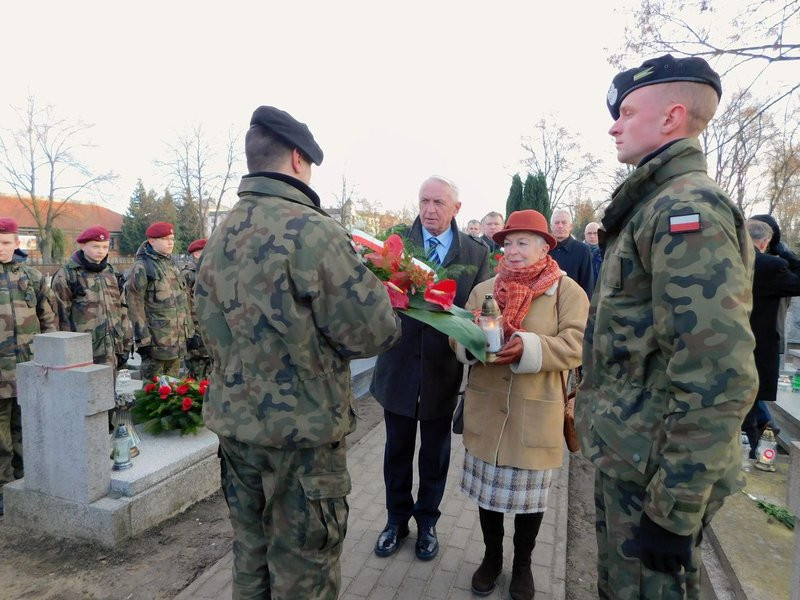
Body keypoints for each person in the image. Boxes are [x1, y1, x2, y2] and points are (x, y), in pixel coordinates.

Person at [195, 105, 401, 600]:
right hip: (302, 438)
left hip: (236, 428)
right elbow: (375, 333)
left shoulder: (221, 234)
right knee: (304, 571)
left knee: (251, 558)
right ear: (296, 158)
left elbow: (208, 326)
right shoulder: (314, 232)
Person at [576, 54, 758, 599]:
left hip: (654, 476)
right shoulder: (654, 204)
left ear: (672, 117)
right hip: (636, 460)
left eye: (628, 112)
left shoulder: (685, 209)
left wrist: (674, 508)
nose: (614, 126)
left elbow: (717, 374)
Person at [453, 210, 588, 599]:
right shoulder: (485, 289)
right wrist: (471, 345)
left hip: (536, 412)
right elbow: (458, 334)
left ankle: (524, 564)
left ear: (545, 248)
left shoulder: (567, 291)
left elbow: (576, 344)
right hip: (487, 409)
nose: (512, 250)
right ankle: (492, 558)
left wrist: (528, 347)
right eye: (508, 243)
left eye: (522, 242)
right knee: (489, 497)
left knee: (530, 502)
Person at [371, 176, 490, 561]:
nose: (430, 210)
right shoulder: (394, 245)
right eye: (424, 201)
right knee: (397, 452)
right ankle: (395, 521)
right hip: (398, 367)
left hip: (442, 372)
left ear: (456, 208)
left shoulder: (474, 253)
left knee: (435, 456)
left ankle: (427, 523)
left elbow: (479, 311)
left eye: (438, 202)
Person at [0, 218, 58, 517]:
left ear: (16, 243)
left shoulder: (32, 277)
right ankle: (4, 489)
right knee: (0, 436)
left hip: (28, 368)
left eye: (5, 242)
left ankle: (26, 480)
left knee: (27, 427)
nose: (1, 248)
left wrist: (50, 356)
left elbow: (48, 319)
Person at [742, 219, 800, 457]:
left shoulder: (726, 261)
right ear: (765, 242)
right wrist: (784, 252)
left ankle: (762, 435)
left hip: (725, 346)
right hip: (757, 349)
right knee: (749, 407)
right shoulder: (769, 266)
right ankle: (756, 453)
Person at [51, 226, 132, 371]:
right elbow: (60, 316)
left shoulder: (112, 273)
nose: (101, 251)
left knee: (109, 385)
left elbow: (122, 310)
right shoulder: (67, 275)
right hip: (82, 350)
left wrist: (126, 344)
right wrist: (66, 350)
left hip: (112, 348)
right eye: (95, 246)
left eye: (105, 247)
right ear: (82, 245)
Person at [125, 221, 194, 382]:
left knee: (174, 386)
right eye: (165, 239)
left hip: (176, 341)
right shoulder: (142, 267)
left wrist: (189, 332)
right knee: (153, 389)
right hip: (156, 342)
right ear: (152, 241)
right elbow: (134, 304)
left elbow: (183, 302)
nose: (170, 242)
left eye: (172, 238)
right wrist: (143, 339)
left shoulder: (172, 264)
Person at [181, 238, 210, 379]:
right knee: (196, 373)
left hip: (209, 328)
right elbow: (184, 306)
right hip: (196, 330)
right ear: (197, 254)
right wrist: (190, 332)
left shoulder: (209, 271)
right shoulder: (188, 274)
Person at [548, 209, 594, 298]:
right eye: (556, 223)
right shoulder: (544, 249)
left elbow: (587, 284)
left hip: (573, 301)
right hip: (547, 302)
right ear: (551, 226)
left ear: (571, 226)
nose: (560, 226)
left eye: (564, 222)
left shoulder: (583, 250)